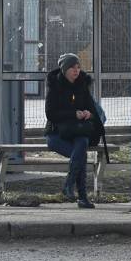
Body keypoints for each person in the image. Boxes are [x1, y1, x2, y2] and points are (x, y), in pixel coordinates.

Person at [44, 53, 102, 209]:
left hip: (77, 131)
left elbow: (92, 109)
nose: (76, 71)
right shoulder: (55, 86)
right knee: (80, 154)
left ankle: (69, 185)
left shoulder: (82, 85)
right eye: (72, 68)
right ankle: (82, 197)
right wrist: (73, 114)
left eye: (78, 67)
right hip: (56, 134)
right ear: (64, 69)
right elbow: (50, 113)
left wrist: (88, 113)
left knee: (82, 143)